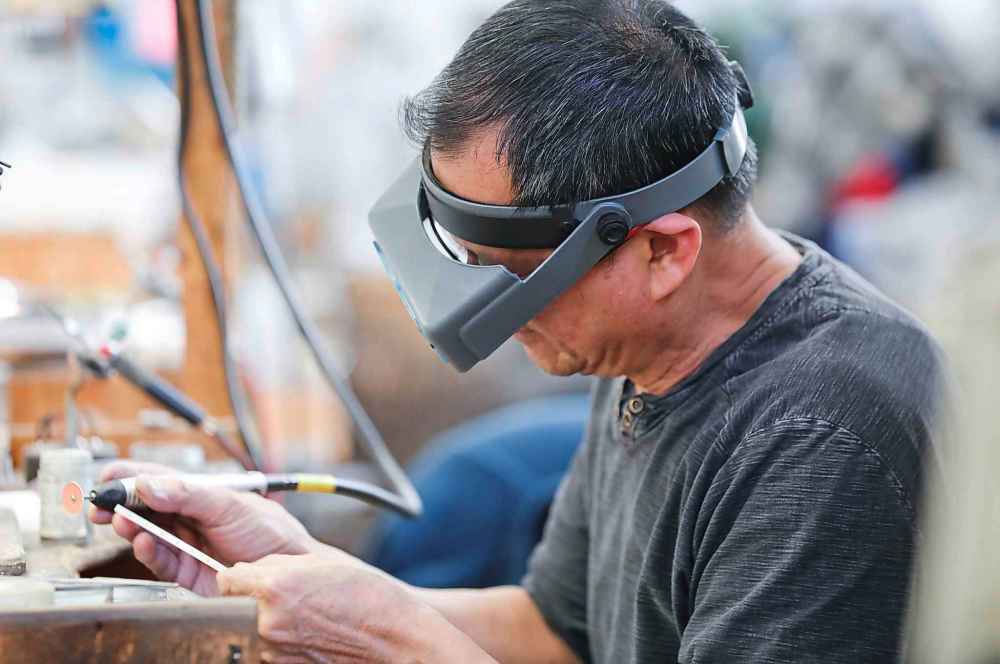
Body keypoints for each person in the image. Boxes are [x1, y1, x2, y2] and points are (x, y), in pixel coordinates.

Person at [92, 1, 948, 662]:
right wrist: (305, 570)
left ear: (662, 251)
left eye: (508, 276)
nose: (489, 326)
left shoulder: (825, 437)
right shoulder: (653, 344)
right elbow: (554, 631)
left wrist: (387, 639)